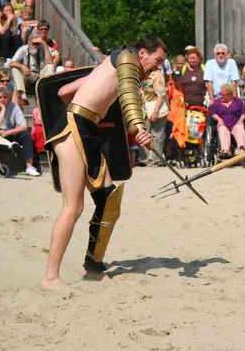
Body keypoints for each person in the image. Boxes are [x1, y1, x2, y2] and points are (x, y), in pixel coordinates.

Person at [39, 34, 165, 291]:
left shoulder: (109, 65)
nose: (158, 67)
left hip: (86, 130)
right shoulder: (127, 56)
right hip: (73, 130)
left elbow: (63, 91)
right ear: (142, 53)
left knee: (108, 200)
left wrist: (92, 105)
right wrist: (138, 127)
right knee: (73, 207)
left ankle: (93, 267)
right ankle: (50, 278)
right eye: (158, 60)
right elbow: (130, 96)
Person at [0, 87, 39, 176]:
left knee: (25, 135)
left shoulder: (14, 106)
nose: (3, 100)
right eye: (0, 97)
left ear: (9, 98)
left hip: (10, 131)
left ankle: (29, 167)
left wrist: (8, 132)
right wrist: (3, 109)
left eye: (5, 97)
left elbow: (24, 126)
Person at [9, 32, 54, 105]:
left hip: (39, 75)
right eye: (34, 43)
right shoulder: (23, 49)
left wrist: (44, 44)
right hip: (27, 75)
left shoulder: (43, 48)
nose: (36, 46)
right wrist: (23, 67)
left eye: (38, 44)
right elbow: (11, 63)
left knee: (50, 67)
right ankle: (23, 97)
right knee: (14, 69)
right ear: (29, 42)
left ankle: (44, 95)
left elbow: (50, 62)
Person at [210, 83, 245, 157]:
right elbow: (213, 113)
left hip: (235, 123)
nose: (221, 96)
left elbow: (243, 113)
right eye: (220, 94)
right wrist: (218, 118)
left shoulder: (238, 102)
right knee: (222, 129)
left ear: (230, 94)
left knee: (239, 127)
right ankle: (225, 150)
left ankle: (241, 148)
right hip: (223, 124)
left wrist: (241, 120)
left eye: (223, 94)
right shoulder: (217, 102)